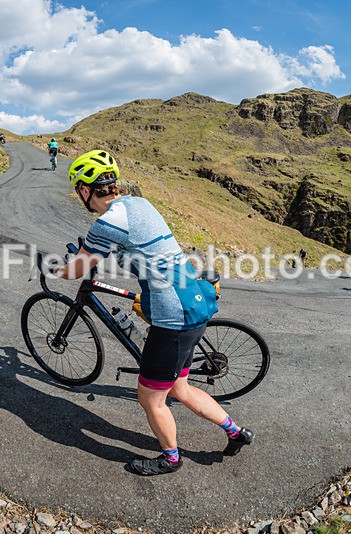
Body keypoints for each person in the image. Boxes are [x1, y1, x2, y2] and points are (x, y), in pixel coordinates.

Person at [57, 150, 253, 476]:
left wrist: (57, 267)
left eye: (79, 189)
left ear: (85, 189)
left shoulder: (108, 222)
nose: (81, 197)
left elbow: (76, 270)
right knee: (179, 388)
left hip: (173, 316)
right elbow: (142, 247)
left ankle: (171, 458)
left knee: (151, 399)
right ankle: (237, 432)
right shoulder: (138, 203)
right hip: (194, 301)